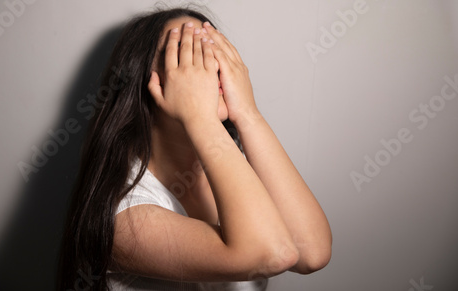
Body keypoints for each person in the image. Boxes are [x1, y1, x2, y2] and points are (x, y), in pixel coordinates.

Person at [57, 7, 332, 291]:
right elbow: (272, 254)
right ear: (150, 83)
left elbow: (312, 253)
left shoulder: (231, 169)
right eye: (186, 53)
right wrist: (199, 116)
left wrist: (249, 113)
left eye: (215, 49)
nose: (212, 65)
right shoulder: (123, 216)